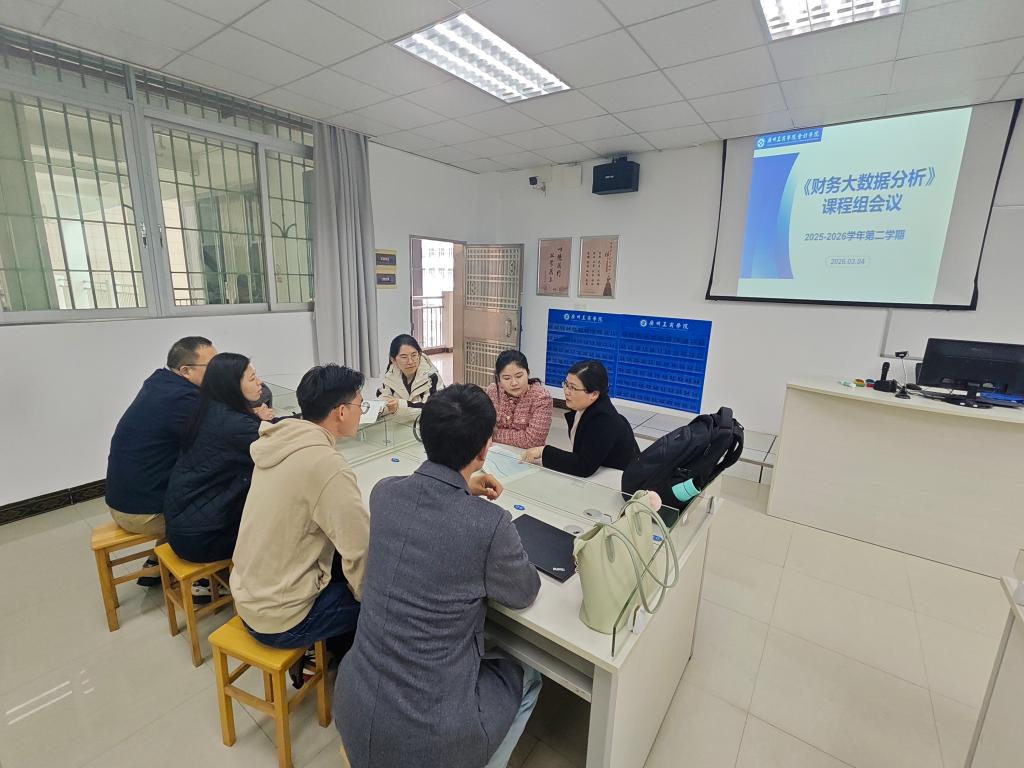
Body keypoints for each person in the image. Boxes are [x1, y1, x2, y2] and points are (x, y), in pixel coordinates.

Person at [336, 384, 542, 768]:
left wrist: (461, 488)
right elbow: (524, 591)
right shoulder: (490, 524)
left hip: (353, 703)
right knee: (529, 677)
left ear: (424, 435)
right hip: (430, 739)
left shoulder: (383, 494)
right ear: (484, 450)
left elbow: (426, 510)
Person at [231, 364, 369, 667]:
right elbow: (359, 550)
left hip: (248, 596)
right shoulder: (326, 465)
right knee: (388, 603)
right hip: (282, 619)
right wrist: (372, 601)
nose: (362, 412)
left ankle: (324, 653)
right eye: (360, 405)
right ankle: (334, 665)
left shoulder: (278, 442)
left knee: (338, 563)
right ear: (341, 411)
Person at [163, 353, 273, 566]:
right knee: (289, 524)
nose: (259, 382)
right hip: (204, 537)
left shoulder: (210, 408)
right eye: (252, 378)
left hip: (185, 524)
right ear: (232, 386)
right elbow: (276, 448)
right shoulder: (234, 424)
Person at [105, 336, 217, 540]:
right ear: (186, 370)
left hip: (123, 500)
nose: (219, 371)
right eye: (213, 366)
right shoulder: (182, 398)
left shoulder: (161, 382)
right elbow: (220, 435)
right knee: (231, 509)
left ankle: (161, 559)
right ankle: (188, 557)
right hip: (143, 513)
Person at [521, 359, 639, 478]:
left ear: (594, 394)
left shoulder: (605, 420)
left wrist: (543, 452)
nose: (566, 391)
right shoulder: (582, 407)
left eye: (573, 388)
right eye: (566, 384)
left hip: (618, 479)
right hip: (601, 472)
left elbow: (583, 466)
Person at [485, 349, 552, 449]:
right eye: (507, 378)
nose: (514, 383)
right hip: (494, 450)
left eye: (519, 376)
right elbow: (482, 426)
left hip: (527, 454)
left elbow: (532, 441)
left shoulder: (542, 398)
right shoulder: (492, 391)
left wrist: (493, 434)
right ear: (498, 378)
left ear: (528, 373)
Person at [377, 333, 445, 415]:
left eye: (414, 355)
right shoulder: (390, 375)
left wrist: (401, 405)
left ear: (419, 354)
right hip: (401, 421)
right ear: (393, 360)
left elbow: (433, 408)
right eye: (404, 357)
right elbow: (383, 399)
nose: (410, 361)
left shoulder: (432, 376)